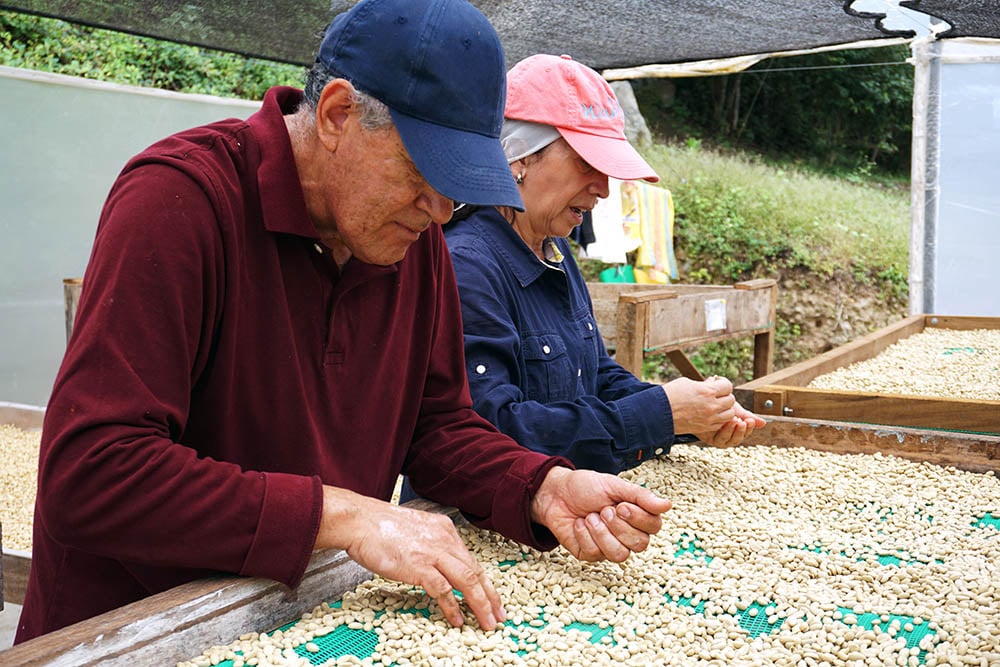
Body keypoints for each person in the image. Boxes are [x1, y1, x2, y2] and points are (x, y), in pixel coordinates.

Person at [14, 2, 674, 643]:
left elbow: (436, 428)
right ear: (336, 115)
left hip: (292, 620)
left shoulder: (413, 245)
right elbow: (94, 472)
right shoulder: (181, 201)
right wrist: (346, 514)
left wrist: (539, 484)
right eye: (424, 173)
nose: (441, 210)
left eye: (459, 185)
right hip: (128, 632)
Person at [433, 54, 767, 478]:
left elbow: (594, 375)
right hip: (475, 520)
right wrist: (660, 414)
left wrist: (689, 413)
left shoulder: (554, 248)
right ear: (518, 158)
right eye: (586, 164)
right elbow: (492, 431)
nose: (605, 189)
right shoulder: (467, 265)